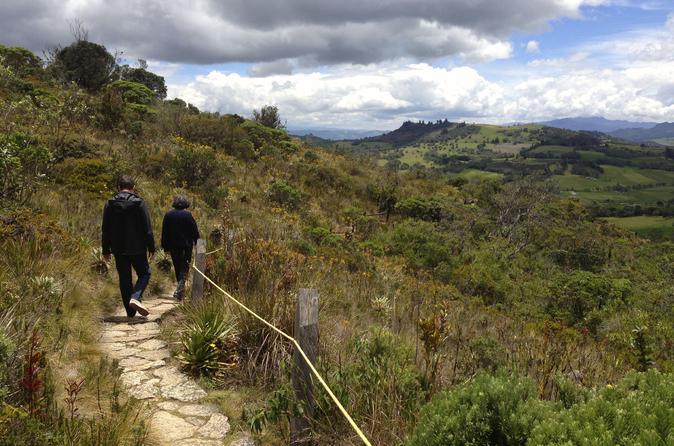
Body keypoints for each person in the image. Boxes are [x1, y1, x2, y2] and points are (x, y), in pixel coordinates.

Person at [102, 175, 155, 317]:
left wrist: (106, 250)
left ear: (118, 187)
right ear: (133, 188)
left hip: (118, 248)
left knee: (124, 279)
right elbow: (147, 228)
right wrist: (151, 247)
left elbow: (105, 229)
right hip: (137, 247)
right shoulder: (139, 203)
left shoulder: (110, 204)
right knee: (145, 273)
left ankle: (130, 313)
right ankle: (135, 297)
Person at [161, 195, 200, 300]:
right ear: (185, 204)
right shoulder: (188, 215)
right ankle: (180, 289)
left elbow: (164, 232)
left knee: (177, 266)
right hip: (186, 245)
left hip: (173, 245)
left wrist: (165, 247)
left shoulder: (168, 215)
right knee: (185, 266)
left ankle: (180, 289)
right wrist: (198, 242)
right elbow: (194, 230)